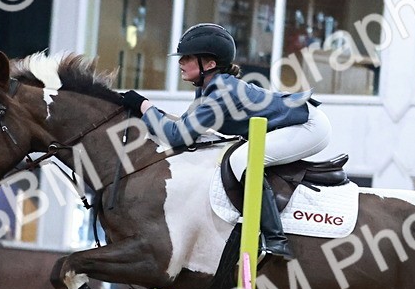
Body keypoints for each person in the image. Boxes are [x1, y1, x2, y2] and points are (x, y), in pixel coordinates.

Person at [117, 23, 331, 261]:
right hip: (296, 123)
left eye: (188, 58)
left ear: (209, 64)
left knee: (242, 160)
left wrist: (144, 106)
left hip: (309, 126)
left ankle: (276, 241)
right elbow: (181, 129)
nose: (180, 63)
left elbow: (178, 136)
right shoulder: (209, 89)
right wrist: (144, 112)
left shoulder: (221, 92)